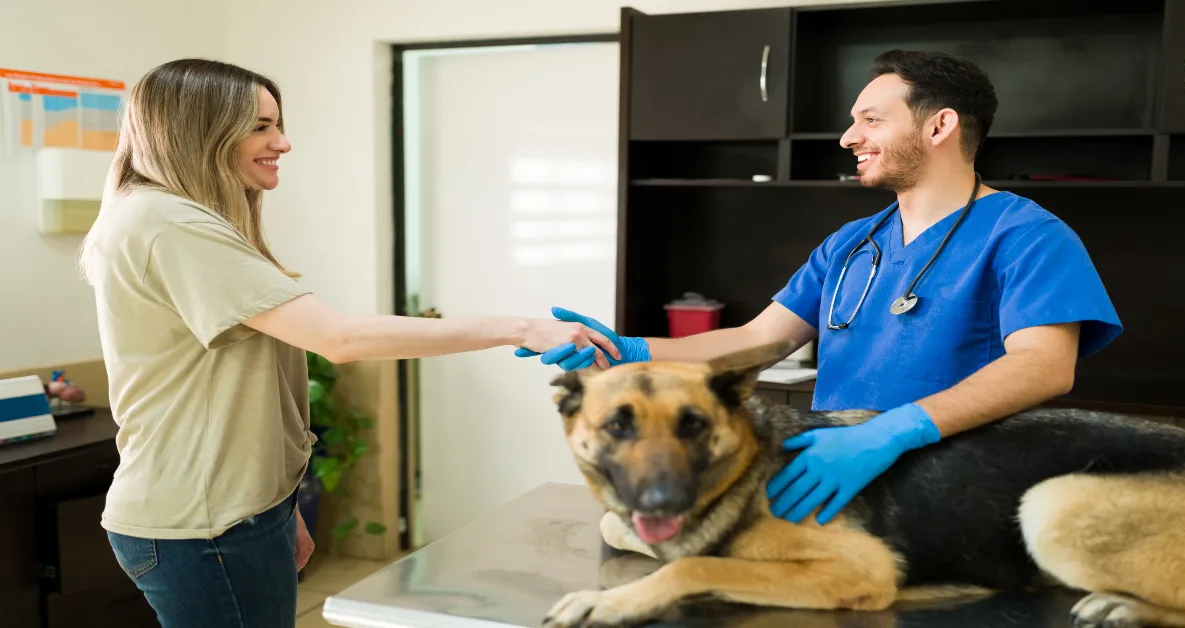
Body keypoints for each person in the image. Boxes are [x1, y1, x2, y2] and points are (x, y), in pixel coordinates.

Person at [77, 58, 619, 628]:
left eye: (277, 124)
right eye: (261, 126)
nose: (282, 142)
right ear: (200, 130)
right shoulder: (168, 222)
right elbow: (339, 338)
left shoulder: (169, 217)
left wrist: (280, 505)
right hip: (202, 521)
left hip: (229, 511)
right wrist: (523, 328)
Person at [517, 50, 1121, 528]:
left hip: (958, 481)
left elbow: (1044, 367)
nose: (846, 137)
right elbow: (758, 340)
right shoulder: (852, 243)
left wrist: (894, 430)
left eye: (869, 120)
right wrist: (629, 350)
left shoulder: (1029, 236)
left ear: (940, 125)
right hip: (839, 472)